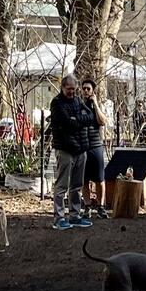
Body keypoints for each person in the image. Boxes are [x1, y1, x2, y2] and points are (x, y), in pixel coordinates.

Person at [48, 72, 91, 230]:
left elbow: (91, 117)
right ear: (62, 87)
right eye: (68, 89)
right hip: (65, 149)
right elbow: (66, 123)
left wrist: (76, 119)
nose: (71, 92)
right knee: (62, 185)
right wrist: (78, 119)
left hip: (81, 149)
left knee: (77, 185)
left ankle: (75, 214)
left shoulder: (78, 100)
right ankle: (59, 217)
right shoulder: (57, 103)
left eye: (73, 89)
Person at [79, 80, 108, 218]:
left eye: (88, 89)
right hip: (83, 147)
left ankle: (101, 207)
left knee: (100, 179)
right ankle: (87, 206)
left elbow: (102, 121)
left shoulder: (97, 106)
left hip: (96, 146)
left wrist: (95, 104)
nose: (86, 91)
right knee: (84, 179)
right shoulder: (78, 105)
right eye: (84, 88)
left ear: (92, 91)